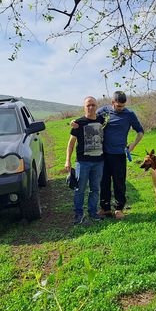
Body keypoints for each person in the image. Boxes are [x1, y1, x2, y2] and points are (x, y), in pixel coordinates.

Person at [72, 91, 144, 219]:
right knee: (103, 182)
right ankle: (105, 208)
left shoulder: (129, 114)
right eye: (119, 106)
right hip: (103, 154)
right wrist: (75, 122)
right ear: (112, 103)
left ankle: (119, 209)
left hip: (119, 154)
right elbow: (90, 116)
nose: (121, 108)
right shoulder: (104, 111)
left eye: (123, 106)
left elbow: (140, 131)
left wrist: (133, 145)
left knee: (119, 182)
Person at [65, 96, 105, 225]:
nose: (91, 107)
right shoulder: (78, 123)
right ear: (84, 107)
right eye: (88, 105)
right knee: (79, 189)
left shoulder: (102, 120)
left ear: (96, 106)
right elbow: (71, 144)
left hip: (99, 162)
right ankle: (79, 214)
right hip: (83, 162)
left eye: (93, 105)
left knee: (95, 189)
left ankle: (93, 212)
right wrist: (67, 160)